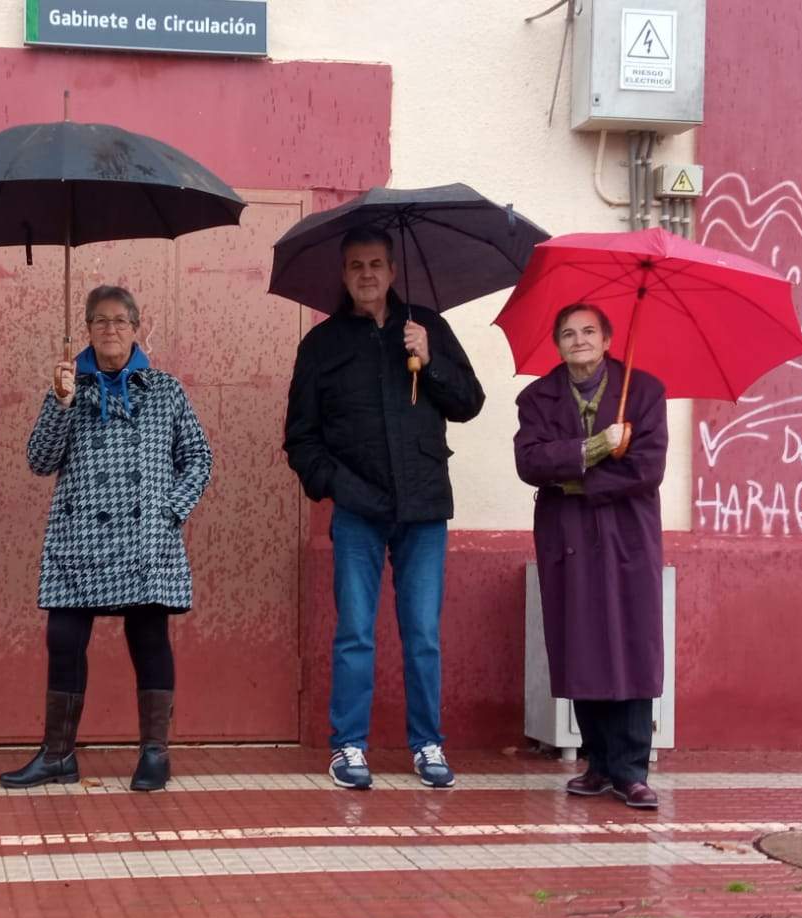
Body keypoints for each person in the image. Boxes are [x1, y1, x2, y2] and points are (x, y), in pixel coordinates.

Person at [283, 227, 484, 791]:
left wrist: (430, 359)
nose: (367, 274)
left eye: (376, 264)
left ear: (393, 271)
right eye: (356, 266)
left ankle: (427, 744)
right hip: (358, 511)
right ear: (344, 275)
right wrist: (335, 486)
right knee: (355, 631)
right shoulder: (321, 345)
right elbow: (300, 438)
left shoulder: (426, 328)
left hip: (424, 507)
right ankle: (348, 746)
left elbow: (469, 402)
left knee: (422, 633)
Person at [0, 285, 213, 792]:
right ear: (88, 329)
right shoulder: (68, 387)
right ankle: (57, 755)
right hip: (79, 538)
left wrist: (169, 510)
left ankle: (155, 754)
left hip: (146, 538)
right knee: (64, 639)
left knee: (149, 638)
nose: (110, 330)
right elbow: (40, 461)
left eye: (119, 321)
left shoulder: (165, 389)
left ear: (136, 328)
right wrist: (60, 403)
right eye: (100, 321)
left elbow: (198, 458)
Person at [512, 302, 668, 811]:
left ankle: (631, 770)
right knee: (581, 643)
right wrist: (595, 447)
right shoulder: (537, 397)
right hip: (568, 535)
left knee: (629, 642)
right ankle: (597, 763)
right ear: (557, 345)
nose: (578, 340)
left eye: (588, 332)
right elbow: (530, 461)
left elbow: (647, 469)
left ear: (607, 340)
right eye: (568, 333)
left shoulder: (643, 392)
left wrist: (573, 477)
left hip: (626, 535)